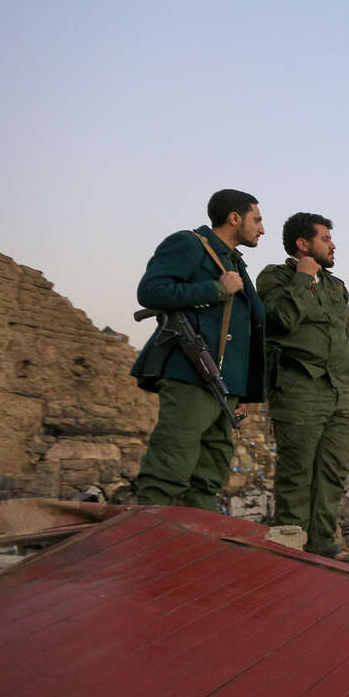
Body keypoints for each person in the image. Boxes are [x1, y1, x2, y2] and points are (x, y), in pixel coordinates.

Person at [131, 189, 267, 509]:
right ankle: (147, 536)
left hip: (225, 386)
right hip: (191, 374)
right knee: (171, 460)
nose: (262, 229)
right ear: (234, 218)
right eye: (257, 220)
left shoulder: (234, 261)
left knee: (210, 471)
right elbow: (151, 291)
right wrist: (217, 289)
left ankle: (196, 540)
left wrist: (242, 391)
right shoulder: (189, 244)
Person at [256, 212, 349, 560]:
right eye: (325, 239)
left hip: (338, 393)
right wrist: (301, 280)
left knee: (332, 472)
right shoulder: (275, 277)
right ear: (303, 244)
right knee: (297, 473)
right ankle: (291, 550)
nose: (333, 245)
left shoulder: (336, 286)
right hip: (299, 388)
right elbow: (279, 321)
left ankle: (323, 544)